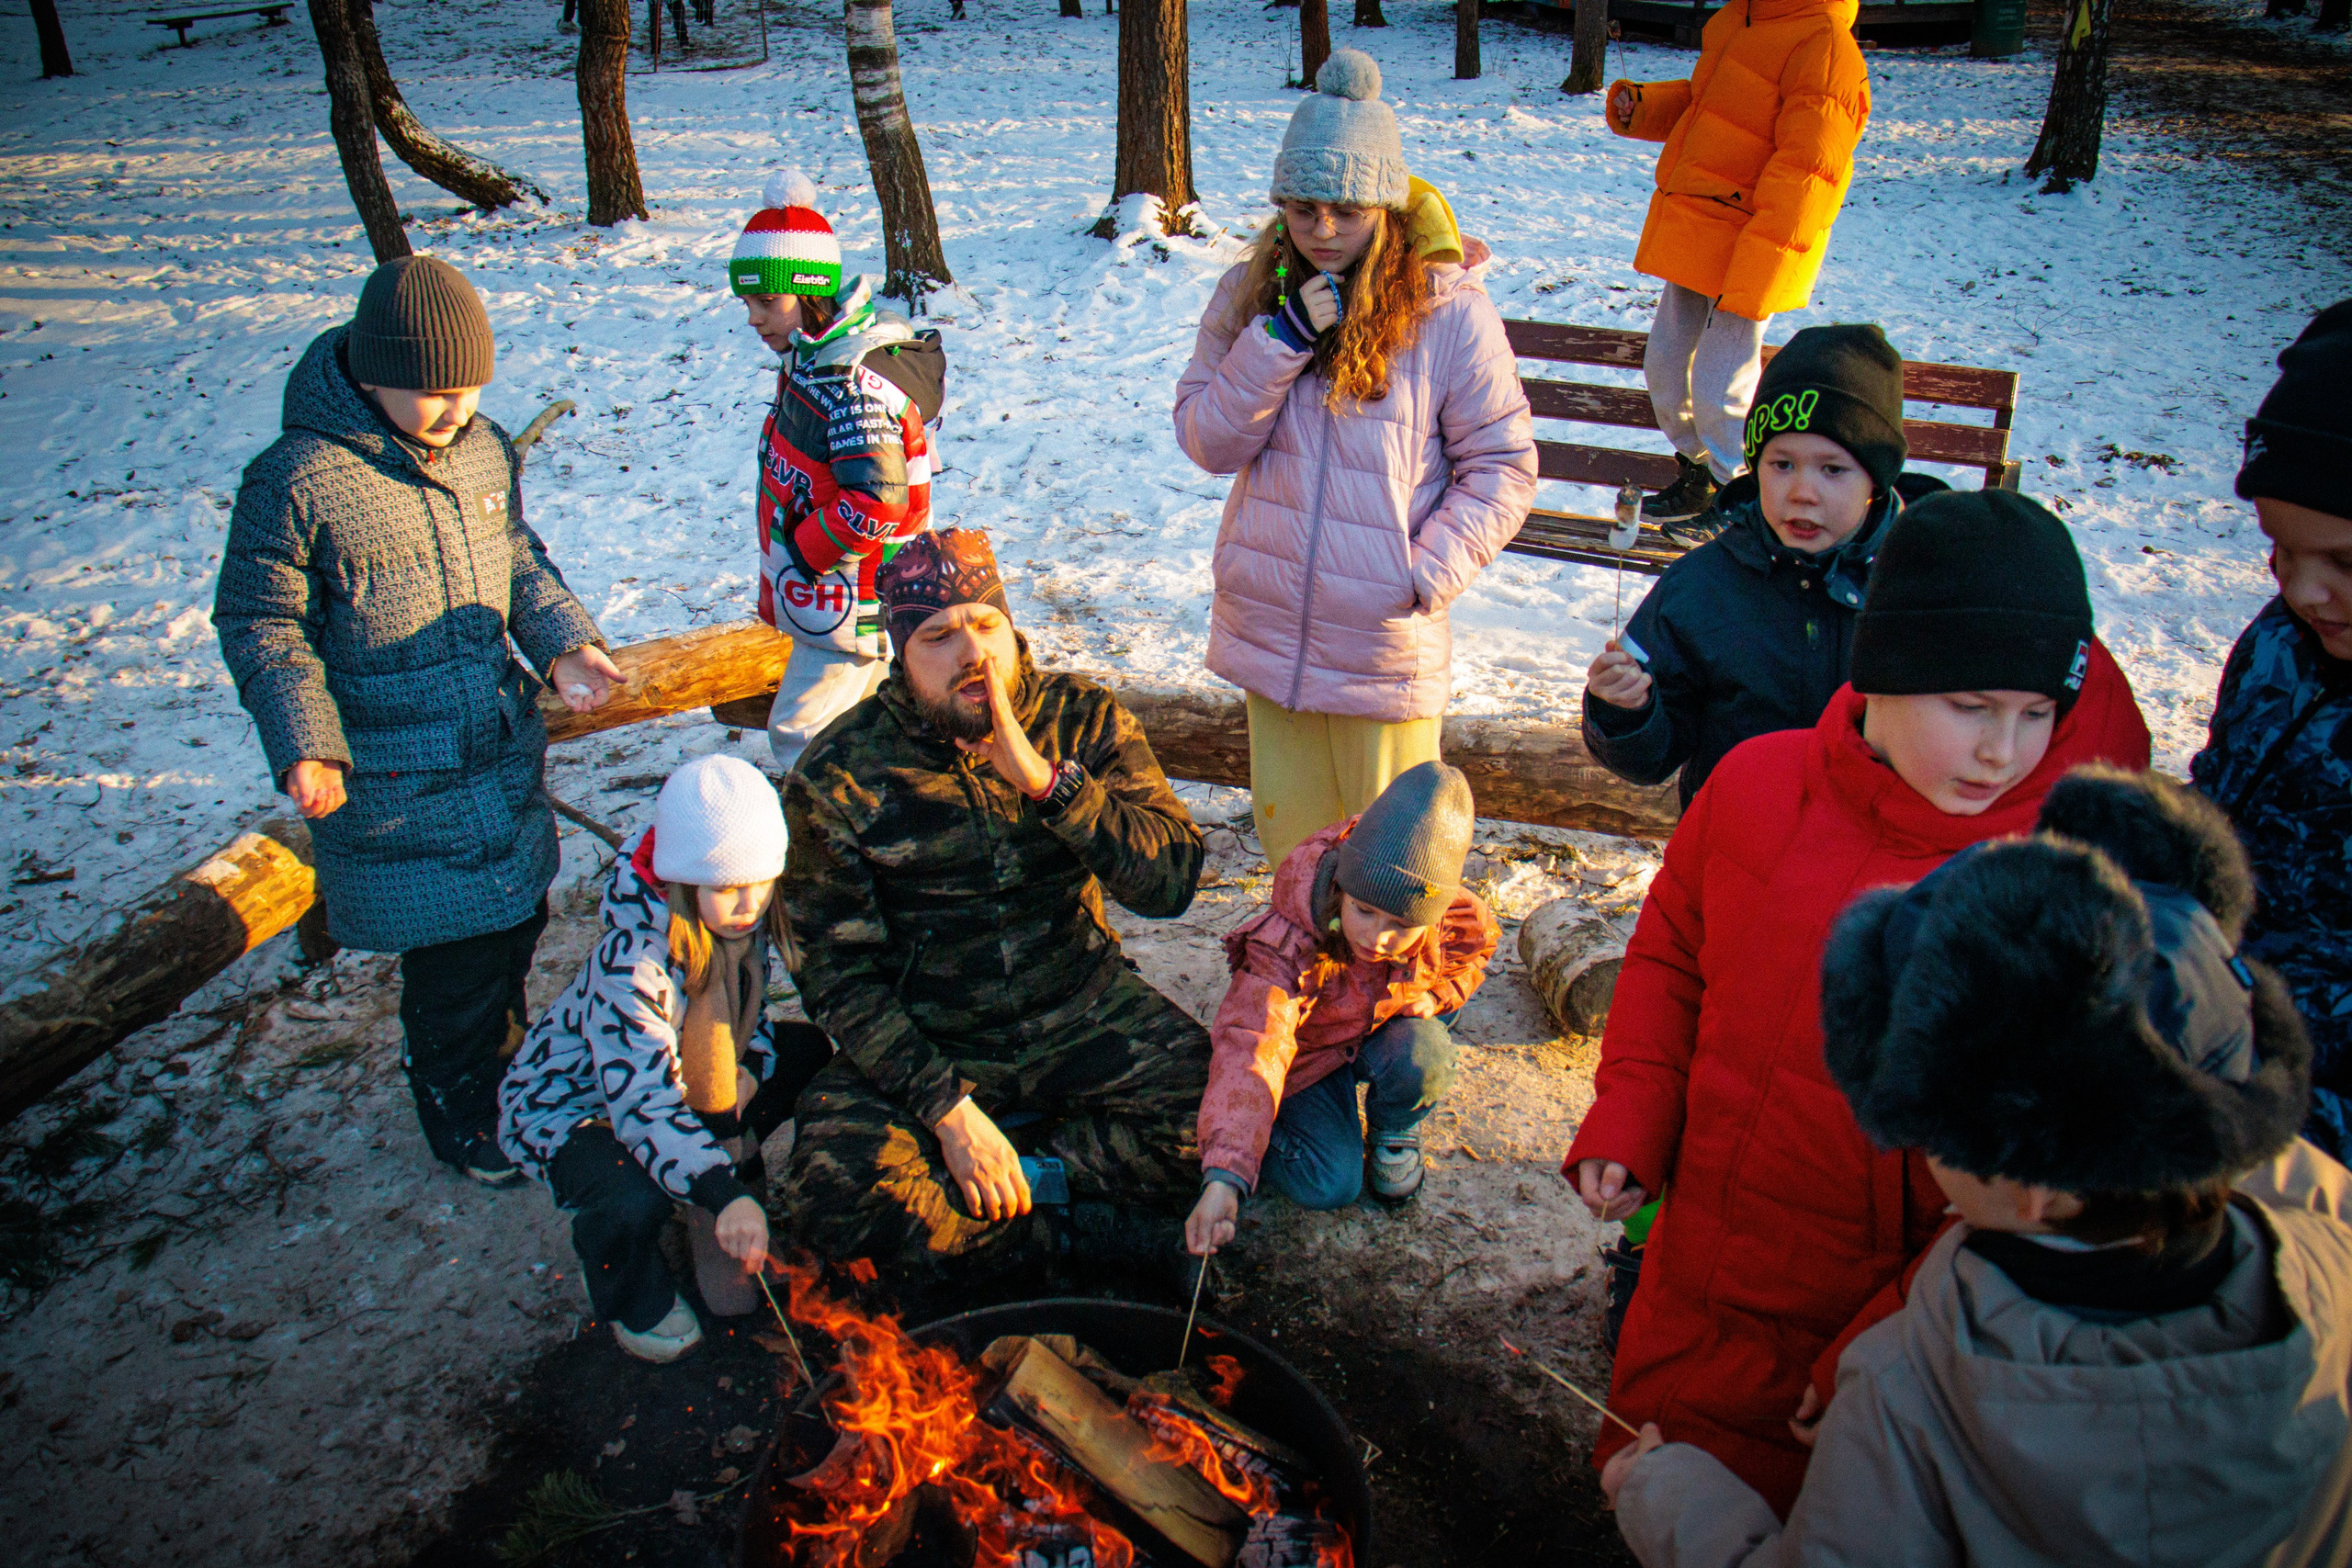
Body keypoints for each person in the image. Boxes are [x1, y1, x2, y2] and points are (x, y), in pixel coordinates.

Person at [1562, 489, 2152, 1517]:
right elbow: (1669, 959)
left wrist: (1879, 1356)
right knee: (1651, 1489)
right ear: (1882, 673)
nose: (2001, 752)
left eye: (2035, 715)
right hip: (1691, 1268)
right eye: (1969, 707)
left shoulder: (2040, 900)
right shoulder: (1753, 787)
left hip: (1856, 1358)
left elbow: (2018, 1210)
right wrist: (1633, 1111)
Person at [1603, 766, 2352, 1565]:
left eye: (1936, 1139)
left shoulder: (1912, 1398)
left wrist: (1670, 1493)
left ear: (2035, 1189)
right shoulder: (2329, 1248)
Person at [214, 255, 623, 1186]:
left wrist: (563, 644)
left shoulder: (481, 450)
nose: (455, 409)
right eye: (432, 393)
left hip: (495, 756)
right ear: (371, 374)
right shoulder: (300, 479)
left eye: (469, 388)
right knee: (455, 971)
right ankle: (460, 1111)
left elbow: (517, 558)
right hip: (401, 781)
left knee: (517, 926)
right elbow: (260, 620)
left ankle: (509, 1078)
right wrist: (306, 743)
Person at [778, 528, 1213, 1282]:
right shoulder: (841, 774)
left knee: (1218, 1125)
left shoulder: (1084, 719)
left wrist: (1053, 786)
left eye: (986, 625)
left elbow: (1171, 881)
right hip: (934, 1037)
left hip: (1078, 1006)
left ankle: (1024, 1192)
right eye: (939, 636)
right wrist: (947, 1111)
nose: (973, 655)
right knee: (832, 1187)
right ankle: (1071, 1236)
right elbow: (835, 975)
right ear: (900, 656)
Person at [1173, 49, 1535, 870]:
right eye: (1303, 209)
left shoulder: (1448, 312)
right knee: (1293, 860)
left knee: (1391, 868)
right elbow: (1206, 437)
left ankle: (1386, 1003)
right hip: (1272, 631)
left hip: (1381, 641)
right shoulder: (1250, 293)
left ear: (1384, 202)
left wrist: (1420, 571)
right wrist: (1281, 341)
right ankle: (1298, 995)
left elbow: (1505, 467)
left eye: (1345, 207)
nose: (1324, 230)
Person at [497, 755, 833, 1363]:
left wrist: (752, 1073)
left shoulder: (736, 922)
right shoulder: (634, 967)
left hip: (681, 1081)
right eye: (728, 886)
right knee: (630, 1193)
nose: (749, 903)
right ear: (684, 878)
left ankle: (713, 1179)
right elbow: (642, 1105)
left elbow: (746, 1021)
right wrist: (720, 1188)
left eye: (761, 881)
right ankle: (628, 1288)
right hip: (578, 1107)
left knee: (806, 1052)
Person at [1585, 323, 1946, 809]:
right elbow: (1652, 758)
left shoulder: (1927, 582)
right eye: (1781, 464)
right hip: (1735, 845)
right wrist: (1625, 712)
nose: (1802, 491)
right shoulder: (1702, 587)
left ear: (1874, 482)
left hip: (1880, 854)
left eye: (1832, 469)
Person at [1187, 761, 1497, 1250]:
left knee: (1427, 1049)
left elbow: (1472, 955)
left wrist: (1436, 997)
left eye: (1401, 924)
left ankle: (1393, 1131)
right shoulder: (1288, 946)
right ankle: (1244, 1140)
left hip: (1373, 1033)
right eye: (1363, 910)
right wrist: (1227, 1172)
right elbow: (1254, 1045)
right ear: (1341, 892)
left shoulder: (1451, 919)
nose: (1377, 937)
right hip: (1304, 1062)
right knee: (1330, 1182)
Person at [1604, 0, 1871, 526]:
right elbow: (1710, 104)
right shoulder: (1738, 19)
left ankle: (1741, 499)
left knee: (1720, 387)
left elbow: (1810, 169)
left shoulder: (1825, 45)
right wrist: (1647, 106)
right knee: (1664, 366)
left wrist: (1766, 261)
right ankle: (1698, 477)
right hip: (1699, 224)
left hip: (1757, 241)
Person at [2192, 299, 2352, 1162]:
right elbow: (2226, 799)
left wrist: (2238, 1120)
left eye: (2344, 562)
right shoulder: (2282, 646)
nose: (2303, 591)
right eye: (2279, 551)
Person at [731, 171, 946, 773]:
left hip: (850, 602)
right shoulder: (812, 360)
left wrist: (801, 552)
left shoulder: (849, 380)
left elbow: (877, 499)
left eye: (767, 302)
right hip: (829, 600)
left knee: (804, 739)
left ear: (809, 293)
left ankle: (819, 853)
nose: (754, 318)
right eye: (748, 303)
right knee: (861, 731)